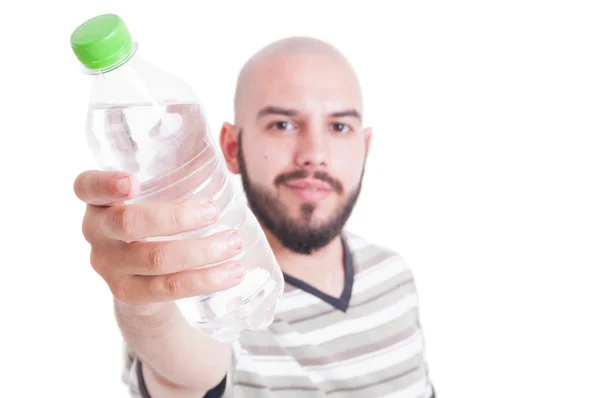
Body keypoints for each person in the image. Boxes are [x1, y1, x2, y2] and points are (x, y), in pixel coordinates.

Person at [74, 36, 435, 398]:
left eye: (339, 127)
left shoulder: (394, 275)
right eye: (282, 124)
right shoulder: (207, 299)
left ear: (365, 147)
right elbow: (186, 372)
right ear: (231, 148)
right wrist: (146, 304)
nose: (314, 154)